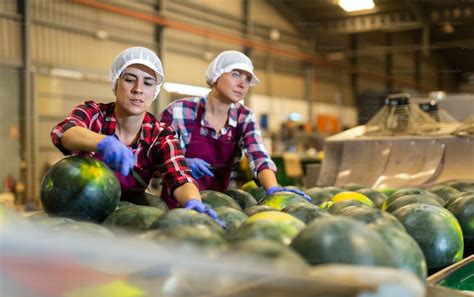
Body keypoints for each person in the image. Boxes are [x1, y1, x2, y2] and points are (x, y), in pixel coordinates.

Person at [51, 47, 224, 227]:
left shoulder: (161, 134)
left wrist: (193, 202)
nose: (138, 89)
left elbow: (180, 175)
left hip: (127, 218)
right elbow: (63, 131)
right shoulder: (94, 114)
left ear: (154, 92)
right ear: (116, 83)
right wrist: (102, 142)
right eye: (129, 80)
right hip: (79, 211)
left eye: (148, 83)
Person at [159, 50, 310, 207]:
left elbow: (259, 157)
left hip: (218, 205)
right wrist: (181, 164)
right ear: (216, 75)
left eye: (248, 79)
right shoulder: (179, 111)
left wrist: (274, 189)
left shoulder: (244, 117)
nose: (242, 84)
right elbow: (153, 160)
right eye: (236, 74)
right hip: (176, 205)